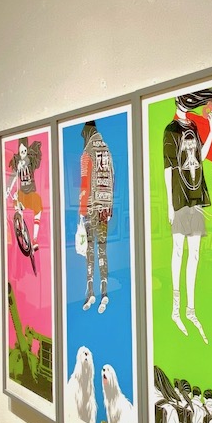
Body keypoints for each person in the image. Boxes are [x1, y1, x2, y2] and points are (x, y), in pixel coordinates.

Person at [163, 87, 212, 342]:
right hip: (180, 197)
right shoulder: (170, 129)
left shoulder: (194, 127)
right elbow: (168, 168)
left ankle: (190, 309)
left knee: (195, 253)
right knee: (178, 250)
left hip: (196, 194)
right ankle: (176, 309)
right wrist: (170, 205)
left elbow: (201, 157)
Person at [77, 120, 114, 313]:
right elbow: (112, 178)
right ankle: (104, 292)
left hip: (91, 207)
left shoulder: (87, 152)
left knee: (89, 251)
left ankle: (90, 291)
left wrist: (81, 210)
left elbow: (85, 183)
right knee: (102, 250)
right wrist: (109, 206)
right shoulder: (106, 148)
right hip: (104, 209)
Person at [6, 138, 43, 252]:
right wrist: (8, 189)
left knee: (38, 211)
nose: (23, 153)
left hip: (31, 193)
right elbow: (13, 178)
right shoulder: (18, 164)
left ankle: (34, 238)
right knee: (16, 201)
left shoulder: (30, 162)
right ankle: (21, 227)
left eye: (25, 151)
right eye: (21, 151)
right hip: (22, 193)